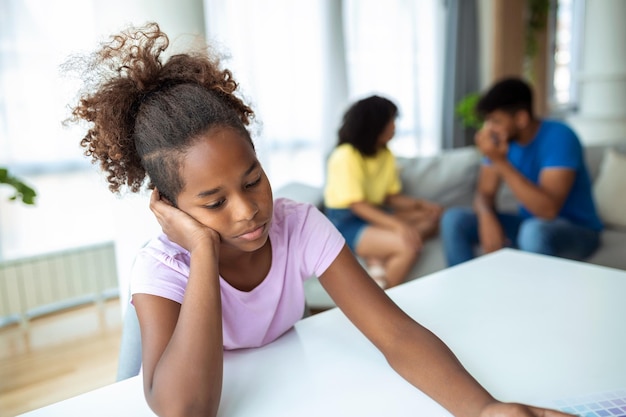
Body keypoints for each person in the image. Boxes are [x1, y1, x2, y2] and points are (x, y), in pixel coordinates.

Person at [68, 23, 572, 417]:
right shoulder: (162, 268)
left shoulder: (298, 226)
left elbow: (395, 334)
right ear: (172, 208)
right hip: (173, 384)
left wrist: (482, 407)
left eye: (252, 180)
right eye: (214, 202)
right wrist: (202, 251)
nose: (248, 211)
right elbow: (187, 409)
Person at [441, 77, 603, 266]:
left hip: (579, 230)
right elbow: (484, 193)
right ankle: (463, 293)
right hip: (529, 224)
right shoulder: (501, 141)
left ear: (521, 118)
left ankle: (535, 295)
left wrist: (499, 162)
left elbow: (547, 211)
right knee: (454, 219)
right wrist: (486, 217)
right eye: (487, 121)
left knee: (533, 230)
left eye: (496, 121)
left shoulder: (560, 137)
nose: (489, 129)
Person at [324, 95, 443, 288]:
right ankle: (380, 302)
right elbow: (358, 205)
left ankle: (376, 253)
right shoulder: (345, 155)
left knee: (432, 217)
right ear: (375, 124)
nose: (395, 127)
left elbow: (390, 197)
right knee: (408, 246)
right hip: (346, 220)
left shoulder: (385, 153)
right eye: (391, 121)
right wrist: (398, 226)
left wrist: (420, 204)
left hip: (374, 213)